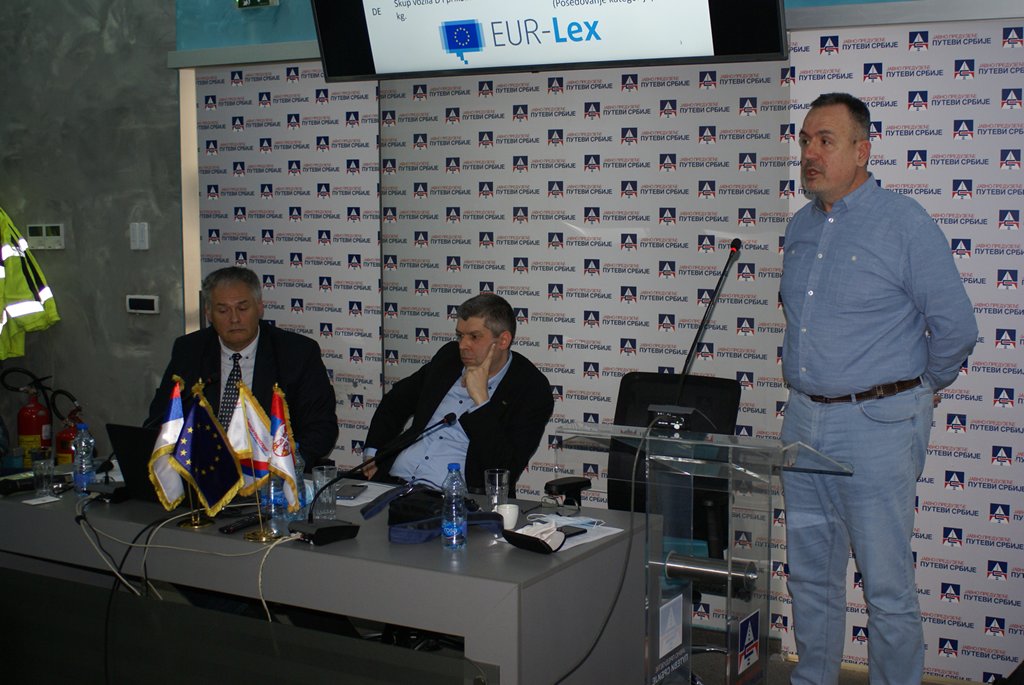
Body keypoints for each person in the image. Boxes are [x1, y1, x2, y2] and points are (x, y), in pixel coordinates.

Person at [779, 92, 978, 684]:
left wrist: (921, 388)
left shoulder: (904, 223)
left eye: (825, 141)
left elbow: (956, 328)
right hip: (803, 423)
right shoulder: (800, 226)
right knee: (810, 575)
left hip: (878, 427)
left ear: (862, 151)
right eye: (806, 141)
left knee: (886, 586)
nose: (810, 153)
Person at [146, 266, 338, 470]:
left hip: (269, 472)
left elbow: (321, 429)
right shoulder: (189, 350)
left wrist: (284, 466)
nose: (234, 319)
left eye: (243, 308)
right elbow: (160, 419)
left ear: (260, 307)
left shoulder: (296, 353)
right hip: (202, 470)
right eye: (223, 310)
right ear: (208, 313)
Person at [362, 293, 553, 494]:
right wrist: (372, 453)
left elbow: (505, 469)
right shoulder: (449, 358)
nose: (462, 345)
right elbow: (396, 402)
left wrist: (481, 403)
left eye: (474, 337)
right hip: (392, 483)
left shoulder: (530, 388)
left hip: (453, 498)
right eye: (460, 336)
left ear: (503, 340)